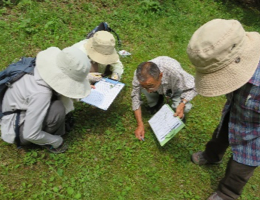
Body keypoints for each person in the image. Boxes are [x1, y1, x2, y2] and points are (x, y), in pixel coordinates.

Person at [187, 19, 260, 200]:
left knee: (241, 165)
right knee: (220, 135)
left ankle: (227, 193)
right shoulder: (230, 44)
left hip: (256, 131)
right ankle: (212, 155)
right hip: (236, 111)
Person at [0, 46, 91, 153]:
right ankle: (48, 141)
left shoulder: (40, 70)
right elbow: (30, 134)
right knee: (57, 109)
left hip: (14, 109)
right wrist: (57, 141)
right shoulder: (41, 93)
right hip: (17, 128)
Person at [131, 56, 197, 141]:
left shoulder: (174, 72)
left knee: (183, 107)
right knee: (146, 89)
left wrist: (182, 103)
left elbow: (195, 86)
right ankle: (156, 102)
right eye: (144, 87)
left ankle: (179, 113)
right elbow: (135, 97)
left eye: (150, 86)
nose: (148, 91)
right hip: (160, 86)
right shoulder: (139, 76)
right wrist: (140, 124)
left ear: (161, 75)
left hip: (175, 87)